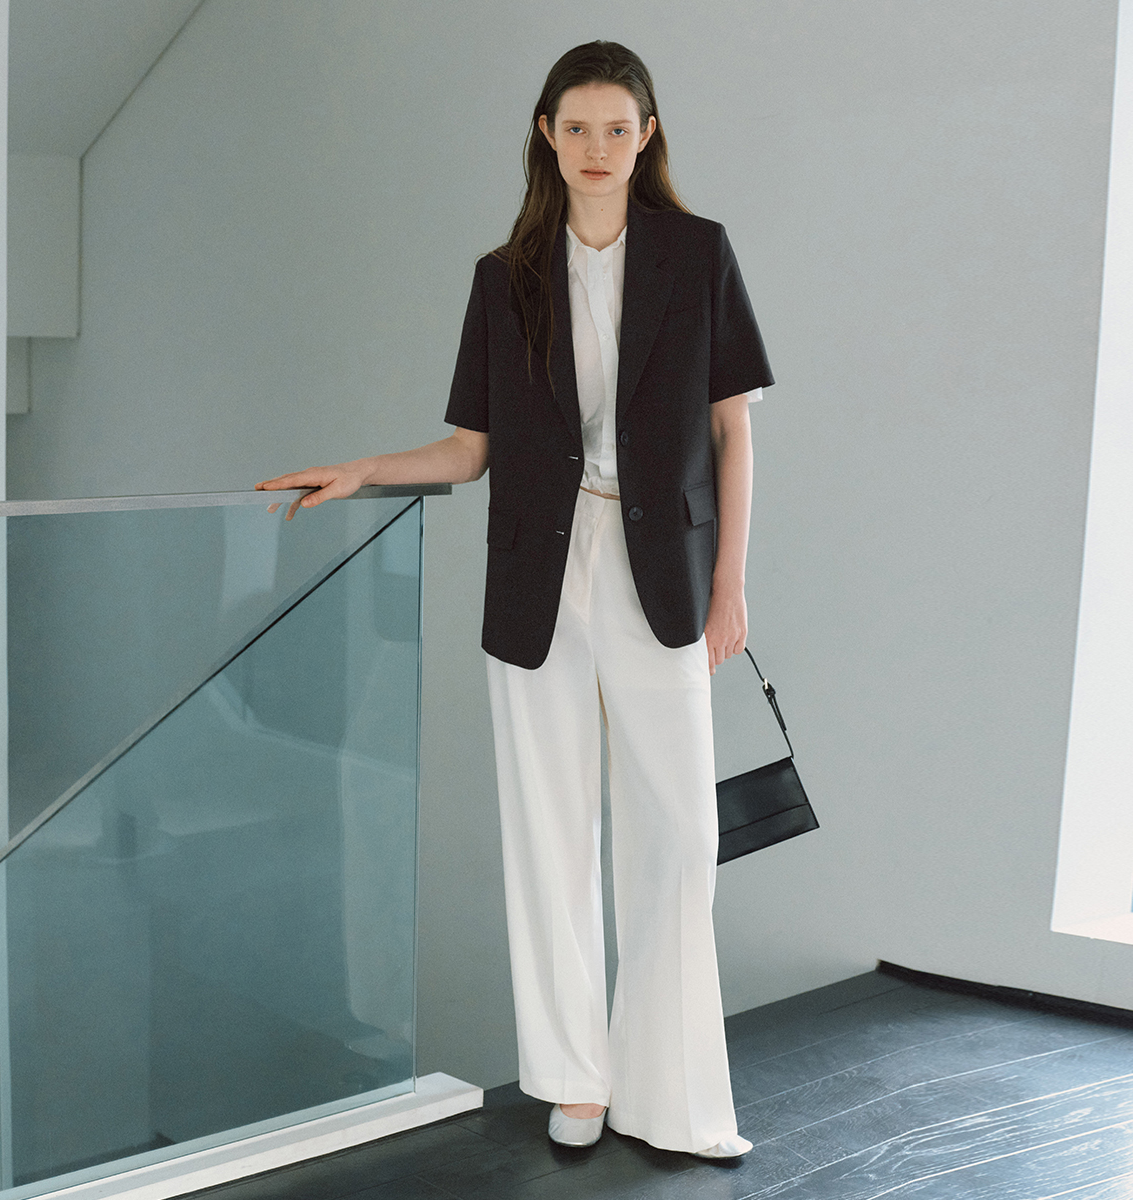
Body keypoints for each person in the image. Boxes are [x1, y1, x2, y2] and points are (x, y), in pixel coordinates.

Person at [258, 40, 772, 1159]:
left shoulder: (699, 253)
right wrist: (362, 470)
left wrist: (731, 580)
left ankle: (672, 1097)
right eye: (576, 127)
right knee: (550, 833)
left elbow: (733, 429)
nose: (597, 148)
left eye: (618, 129)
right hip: (541, 575)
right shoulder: (507, 276)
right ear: (547, 132)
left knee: (678, 836)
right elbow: (469, 448)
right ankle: (575, 1080)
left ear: (647, 136)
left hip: (664, 572)